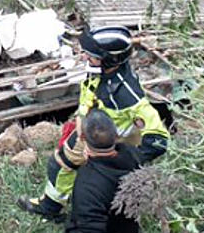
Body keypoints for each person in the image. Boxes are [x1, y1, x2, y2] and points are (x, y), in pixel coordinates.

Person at [19, 25, 169, 222]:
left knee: (103, 186)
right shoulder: (99, 71)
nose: (85, 58)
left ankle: (108, 223)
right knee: (60, 165)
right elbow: (88, 92)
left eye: (92, 56)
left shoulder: (128, 95)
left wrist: (128, 158)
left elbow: (159, 140)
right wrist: (81, 119)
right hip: (89, 131)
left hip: (108, 145)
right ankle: (51, 205)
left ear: (110, 60)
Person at [40, 110, 141, 233]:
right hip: (125, 231)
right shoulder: (132, 155)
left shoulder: (87, 185)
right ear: (116, 136)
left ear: (83, 139)